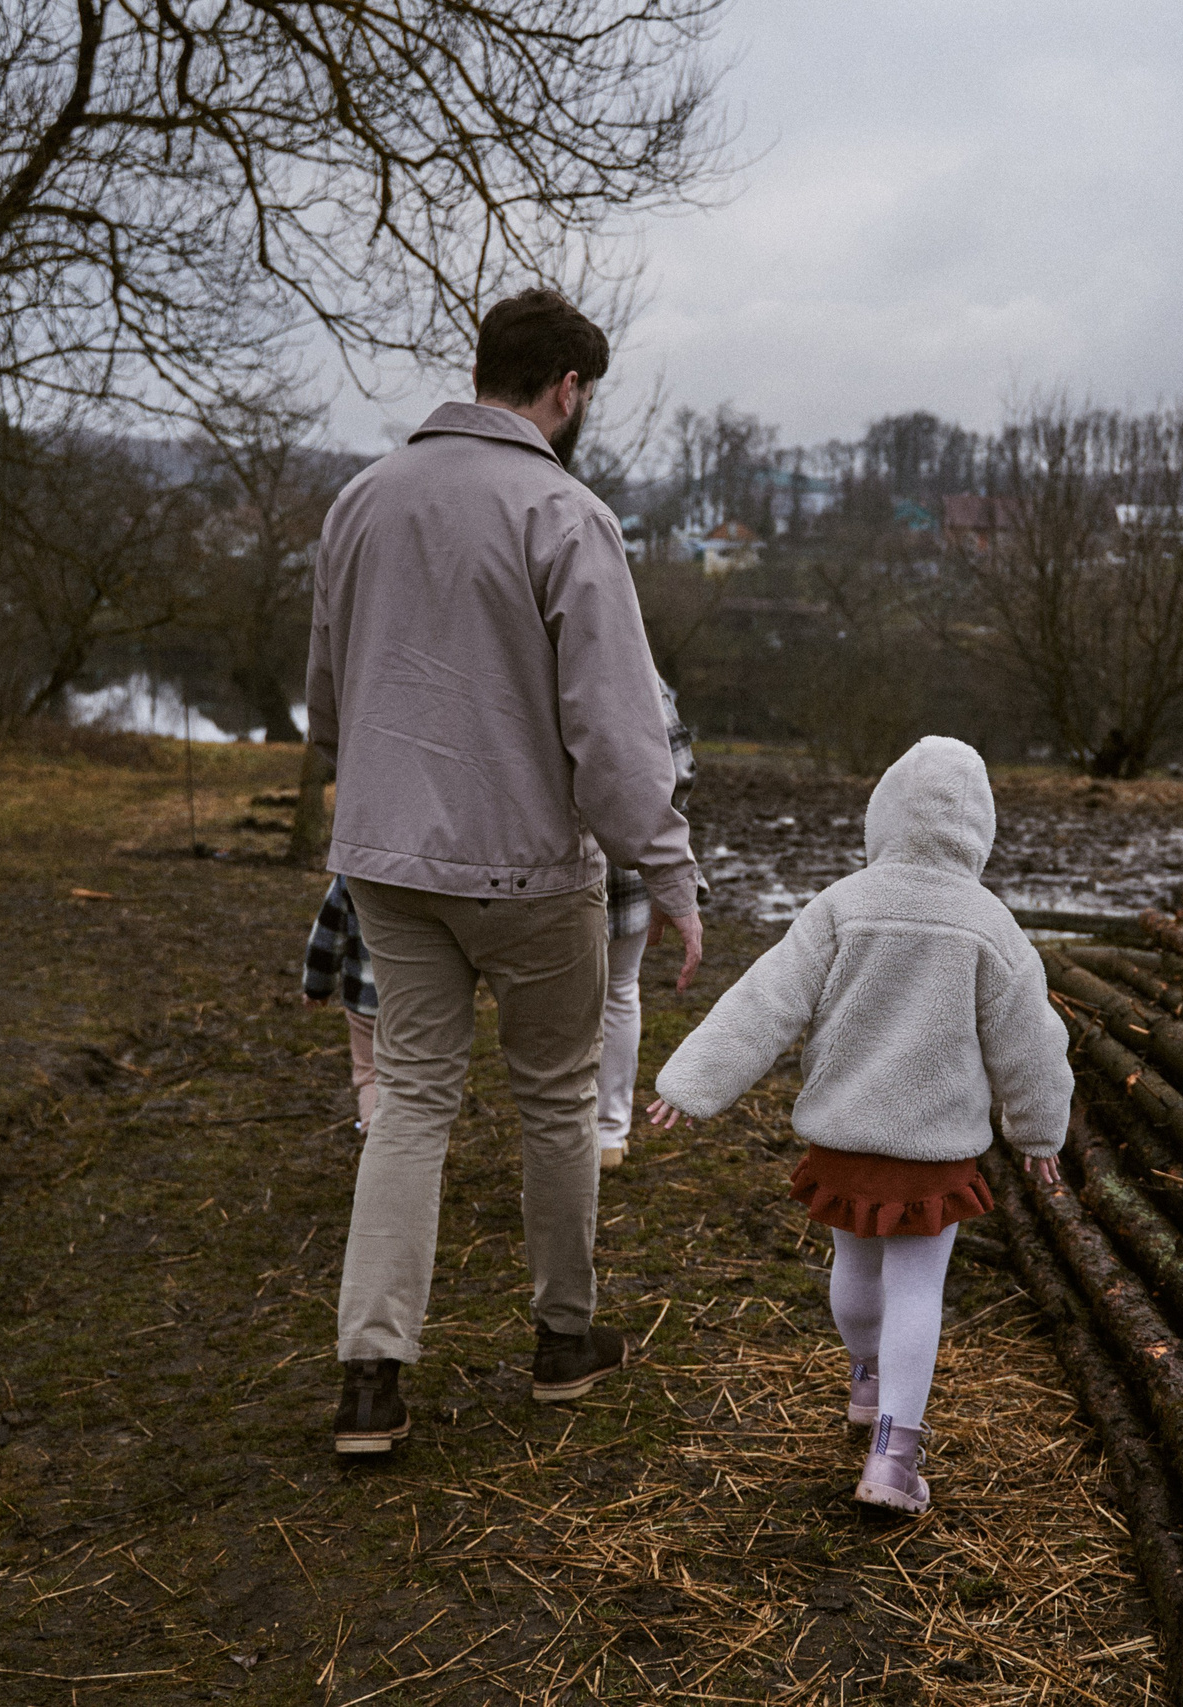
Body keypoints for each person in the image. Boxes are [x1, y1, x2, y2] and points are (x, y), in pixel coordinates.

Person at [305, 287, 703, 1455]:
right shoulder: (565, 513)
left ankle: (371, 1381)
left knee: (414, 1101)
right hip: (530, 873)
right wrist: (671, 877)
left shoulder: (360, 502)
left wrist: (379, 804)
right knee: (556, 1099)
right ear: (565, 391)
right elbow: (618, 734)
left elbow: (329, 697)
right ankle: (563, 1342)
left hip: (388, 863)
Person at [644, 736, 1071, 1514]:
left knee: (854, 1267)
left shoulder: (841, 904)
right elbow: (1032, 1042)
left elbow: (763, 999)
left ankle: (866, 1381)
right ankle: (894, 1460)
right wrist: (1039, 1132)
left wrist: (692, 1081)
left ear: (884, 815)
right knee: (918, 1288)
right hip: (932, 1148)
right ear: (980, 828)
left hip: (843, 1137)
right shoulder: (990, 924)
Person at [598, 676, 699, 1171]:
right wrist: (669, 871)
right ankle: (607, 1135)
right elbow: (676, 772)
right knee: (618, 991)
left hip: (542, 864)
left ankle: (580, 1133)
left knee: (558, 1003)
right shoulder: (637, 665)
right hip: (627, 861)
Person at [300, 876, 381, 1134]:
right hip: (423, 1003)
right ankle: (418, 1153)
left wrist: (317, 987)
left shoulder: (354, 868)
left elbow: (327, 933)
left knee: (372, 1077)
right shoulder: (438, 866)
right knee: (423, 1082)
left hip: (367, 1001)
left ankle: (375, 1139)